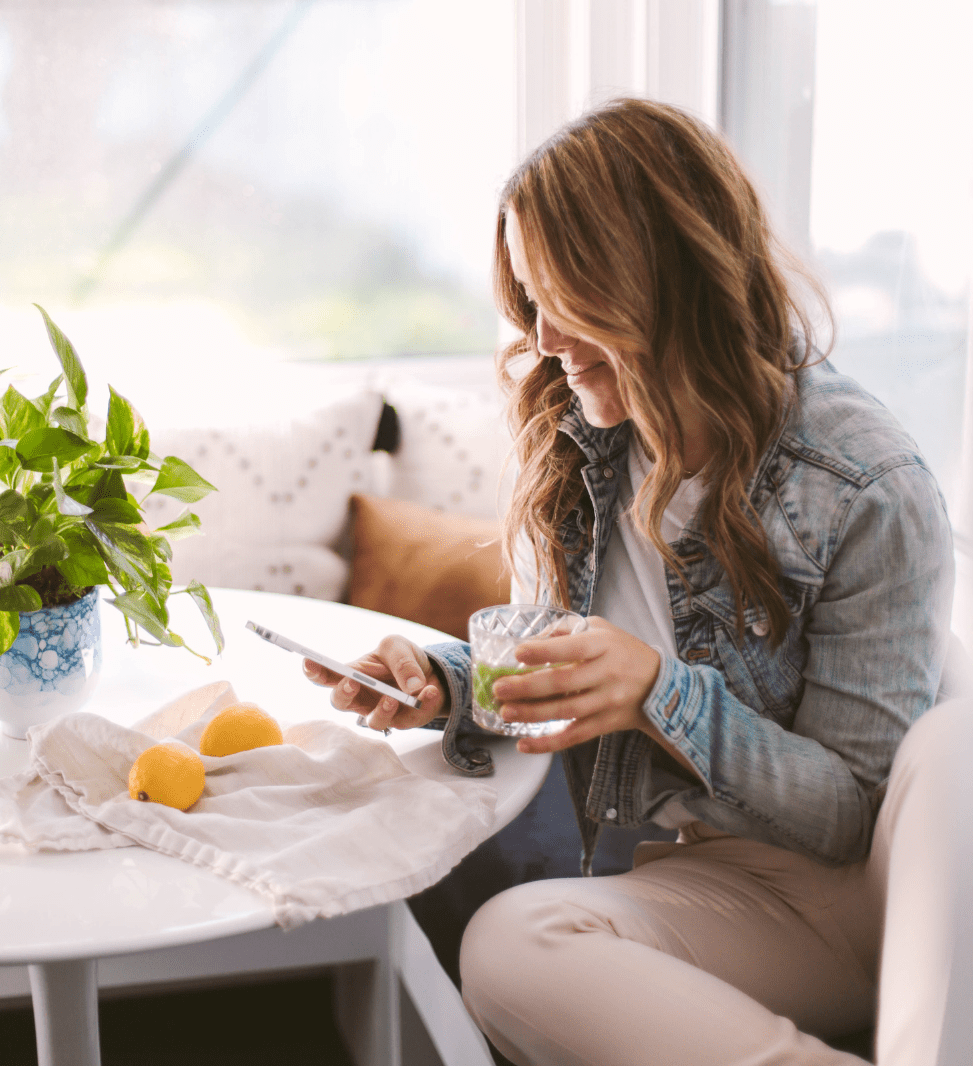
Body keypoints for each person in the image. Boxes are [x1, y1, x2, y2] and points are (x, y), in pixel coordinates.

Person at [304, 98, 962, 1065]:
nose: (542, 338)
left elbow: (849, 814)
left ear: (658, 277)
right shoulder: (584, 441)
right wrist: (444, 680)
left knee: (513, 946)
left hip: (832, 895)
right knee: (481, 916)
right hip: (694, 873)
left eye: (563, 300)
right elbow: (565, 659)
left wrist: (660, 693)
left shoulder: (864, 486)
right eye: (528, 302)